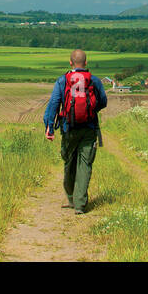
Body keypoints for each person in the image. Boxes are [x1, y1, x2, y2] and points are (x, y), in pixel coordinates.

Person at [43, 49, 108, 215]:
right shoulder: (94, 81)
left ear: (70, 63)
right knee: (85, 164)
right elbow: (103, 102)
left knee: (69, 163)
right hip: (89, 128)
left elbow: (53, 104)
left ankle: (71, 198)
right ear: (86, 63)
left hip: (68, 128)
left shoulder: (62, 81)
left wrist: (49, 127)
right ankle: (80, 205)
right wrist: (90, 111)